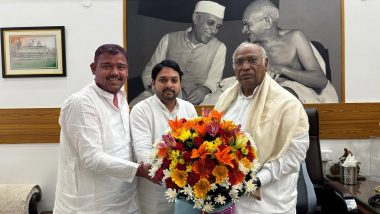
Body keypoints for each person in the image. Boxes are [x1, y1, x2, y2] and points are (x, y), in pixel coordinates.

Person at [54, 44, 156, 214]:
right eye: (107, 66)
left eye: (121, 67)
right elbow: (92, 158)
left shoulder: (122, 98)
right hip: (88, 205)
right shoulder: (82, 102)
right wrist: (139, 170)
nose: (115, 72)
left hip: (124, 199)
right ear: (94, 68)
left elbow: (122, 147)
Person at [214, 42, 310, 214]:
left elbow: (296, 153)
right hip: (228, 199)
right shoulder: (225, 101)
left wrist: (257, 180)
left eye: (252, 60)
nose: (245, 67)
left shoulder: (288, 104)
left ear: (266, 64)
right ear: (234, 68)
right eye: (239, 62)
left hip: (268, 202)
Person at [201, 0, 338, 105]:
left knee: (278, 97)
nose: (244, 30)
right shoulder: (249, 46)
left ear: (267, 22)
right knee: (219, 99)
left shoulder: (295, 37)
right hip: (258, 93)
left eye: (248, 24)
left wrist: (283, 69)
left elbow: (320, 81)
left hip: (295, 91)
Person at [130, 59, 197, 214]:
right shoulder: (141, 110)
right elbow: (143, 153)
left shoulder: (189, 108)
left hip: (185, 191)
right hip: (154, 192)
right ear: (153, 83)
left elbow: (194, 147)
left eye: (174, 80)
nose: (169, 85)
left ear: (180, 84)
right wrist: (175, 170)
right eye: (163, 80)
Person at [130, 0, 226, 105]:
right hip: (161, 94)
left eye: (218, 27)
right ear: (195, 18)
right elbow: (149, 74)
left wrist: (204, 90)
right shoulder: (169, 39)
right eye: (210, 23)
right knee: (135, 107)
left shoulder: (219, 47)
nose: (214, 31)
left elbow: (213, 82)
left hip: (197, 101)